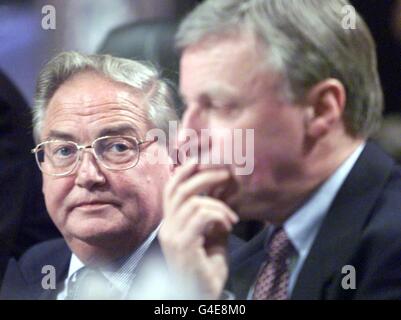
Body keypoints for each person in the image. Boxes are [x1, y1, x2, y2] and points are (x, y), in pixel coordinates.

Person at [159, 0, 401, 299]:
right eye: (189, 106)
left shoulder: (390, 247)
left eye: (219, 106)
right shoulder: (234, 263)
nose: (185, 139)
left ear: (321, 109)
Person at [0, 52, 179, 299]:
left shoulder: (223, 279)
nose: (87, 175)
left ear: (175, 160)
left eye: (118, 147)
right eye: (64, 151)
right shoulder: (30, 269)